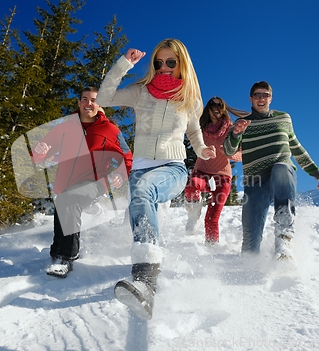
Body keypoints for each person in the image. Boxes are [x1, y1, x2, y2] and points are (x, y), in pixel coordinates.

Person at [96, 38, 216, 320]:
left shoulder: (190, 99)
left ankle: (145, 278)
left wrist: (202, 150)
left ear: (181, 65)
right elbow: (104, 98)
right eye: (158, 63)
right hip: (140, 169)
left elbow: (194, 134)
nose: (164, 68)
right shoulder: (140, 93)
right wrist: (125, 64)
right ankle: (146, 284)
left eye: (170, 63)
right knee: (140, 193)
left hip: (173, 168)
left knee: (145, 189)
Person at [31, 87, 133, 278]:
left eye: (93, 100)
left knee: (69, 199)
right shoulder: (64, 127)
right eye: (84, 99)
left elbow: (127, 157)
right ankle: (57, 251)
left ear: (100, 104)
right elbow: (40, 154)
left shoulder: (110, 130)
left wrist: (120, 173)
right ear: (78, 103)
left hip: (96, 182)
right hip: (65, 183)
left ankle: (67, 257)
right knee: (63, 201)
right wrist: (40, 150)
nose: (88, 103)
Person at [223, 81, 319, 259]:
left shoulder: (283, 118)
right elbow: (228, 151)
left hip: (281, 174)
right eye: (257, 95)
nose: (261, 98)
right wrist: (235, 134)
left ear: (271, 98)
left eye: (265, 95)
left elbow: (296, 147)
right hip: (254, 180)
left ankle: (283, 239)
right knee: (250, 246)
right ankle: (250, 272)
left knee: (281, 168)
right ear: (251, 98)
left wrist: (317, 174)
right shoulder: (242, 124)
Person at [184, 96, 249, 244]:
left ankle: (212, 249)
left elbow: (241, 154)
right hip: (202, 172)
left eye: (220, 105)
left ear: (224, 109)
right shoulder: (199, 128)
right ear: (208, 107)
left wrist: (231, 154)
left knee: (212, 218)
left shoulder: (232, 130)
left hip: (222, 177)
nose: (216, 107)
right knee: (191, 187)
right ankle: (194, 215)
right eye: (213, 104)